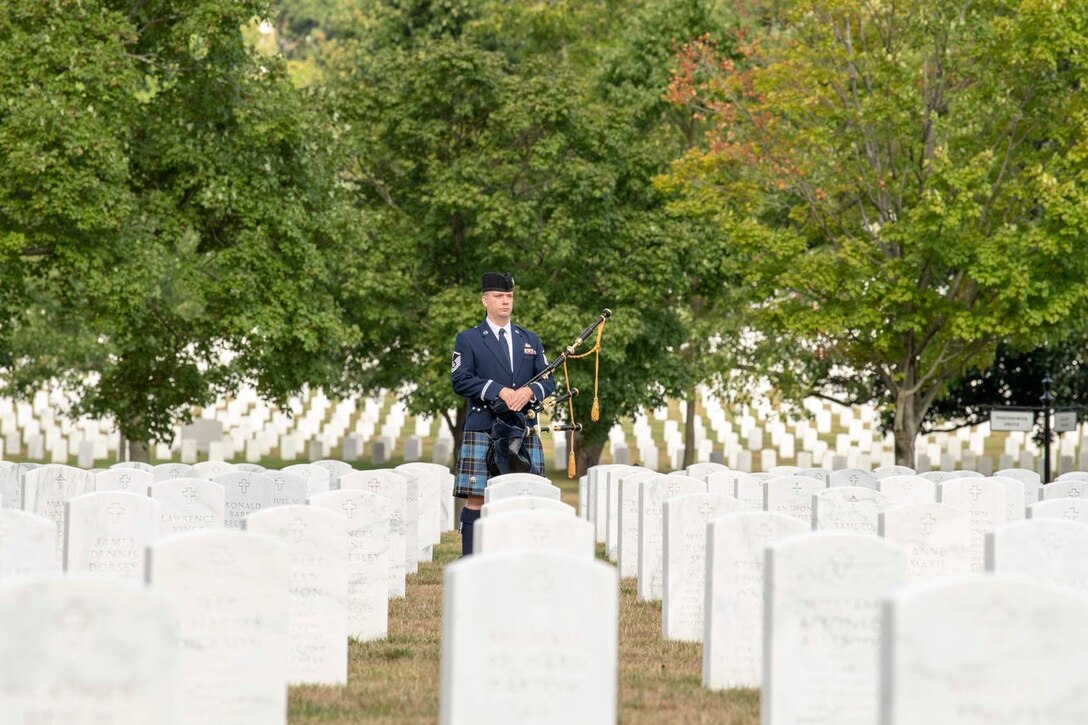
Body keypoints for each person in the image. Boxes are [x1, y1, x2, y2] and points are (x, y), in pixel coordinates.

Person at [451, 272, 554, 556]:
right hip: (484, 425)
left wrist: (530, 392)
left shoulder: (529, 338)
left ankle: (520, 556)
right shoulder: (469, 339)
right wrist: (499, 391)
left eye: (509, 297)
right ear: (485, 300)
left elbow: (548, 380)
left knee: (526, 493)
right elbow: (460, 379)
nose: (505, 302)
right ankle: (470, 560)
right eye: (498, 296)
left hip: (522, 428)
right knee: (477, 497)